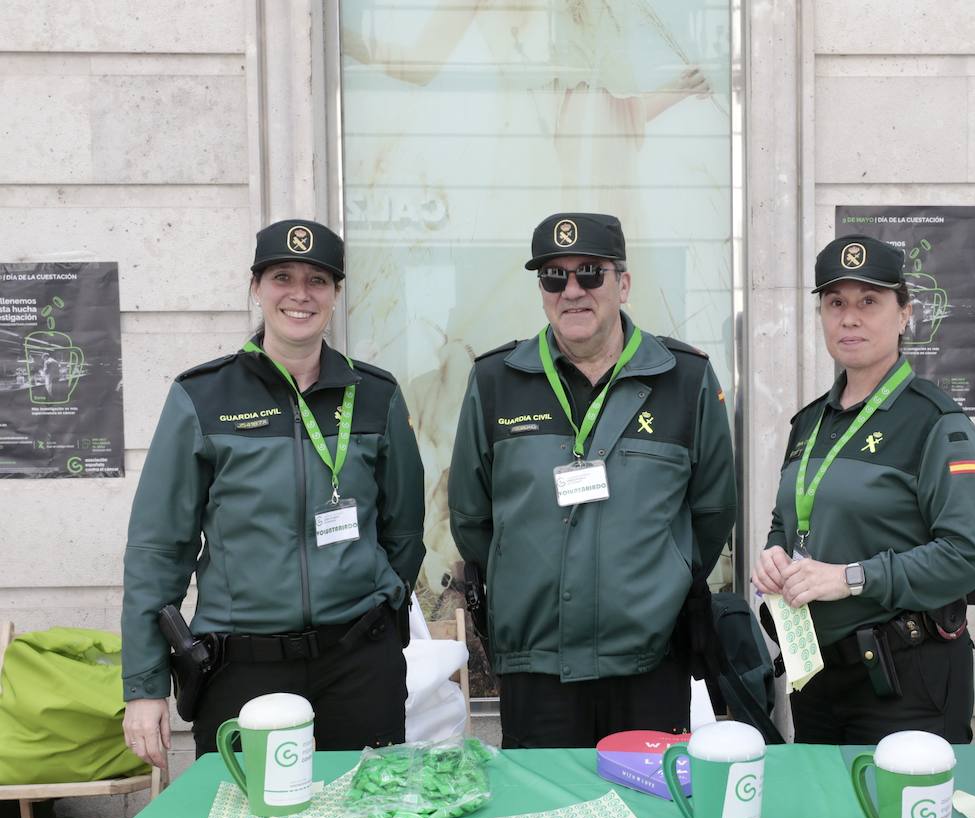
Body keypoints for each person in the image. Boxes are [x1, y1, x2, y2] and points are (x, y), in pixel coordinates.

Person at [121, 219, 425, 766]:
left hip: (358, 664)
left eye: (318, 280)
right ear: (256, 287)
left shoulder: (376, 396)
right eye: (282, 277)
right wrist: (145, 686)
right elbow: (158, 548)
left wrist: (382, 606)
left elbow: (403, 527)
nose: (300, 294)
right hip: (242, 668)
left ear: (335, 293)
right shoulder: (202, 396)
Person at [449, 212, 736, 748]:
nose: (572, 291)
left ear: (622, 284)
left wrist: (658, 580)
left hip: (648, 662)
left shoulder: (685, 378)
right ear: (541, 292)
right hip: (537, 665)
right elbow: (472, 518)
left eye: (590, 273)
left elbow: (713, 510)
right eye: (554, 277)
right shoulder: (495, 381)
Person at [751, 234, 975, 745]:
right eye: (835, 303)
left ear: (905, 313)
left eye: (869, 302)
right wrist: (775, 553)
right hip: (816, 673)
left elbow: (970, 555)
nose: (850, 317)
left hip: (906, 679)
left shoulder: (937, 424)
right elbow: (790, 520)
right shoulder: (810, 423)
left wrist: (852, 577)